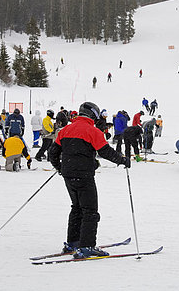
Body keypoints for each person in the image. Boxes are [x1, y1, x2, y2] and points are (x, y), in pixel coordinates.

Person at [49, 102, 130, 259]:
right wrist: (122, 160)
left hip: (68, 175)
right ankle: (86, 246)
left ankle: (72, 242)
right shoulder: (93, 131)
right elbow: (105, 151)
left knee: (76, 207)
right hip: (84, 176)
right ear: (93, 114)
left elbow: (53, 152)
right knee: (90, 211)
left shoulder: (65, 130)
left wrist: (60, 168)